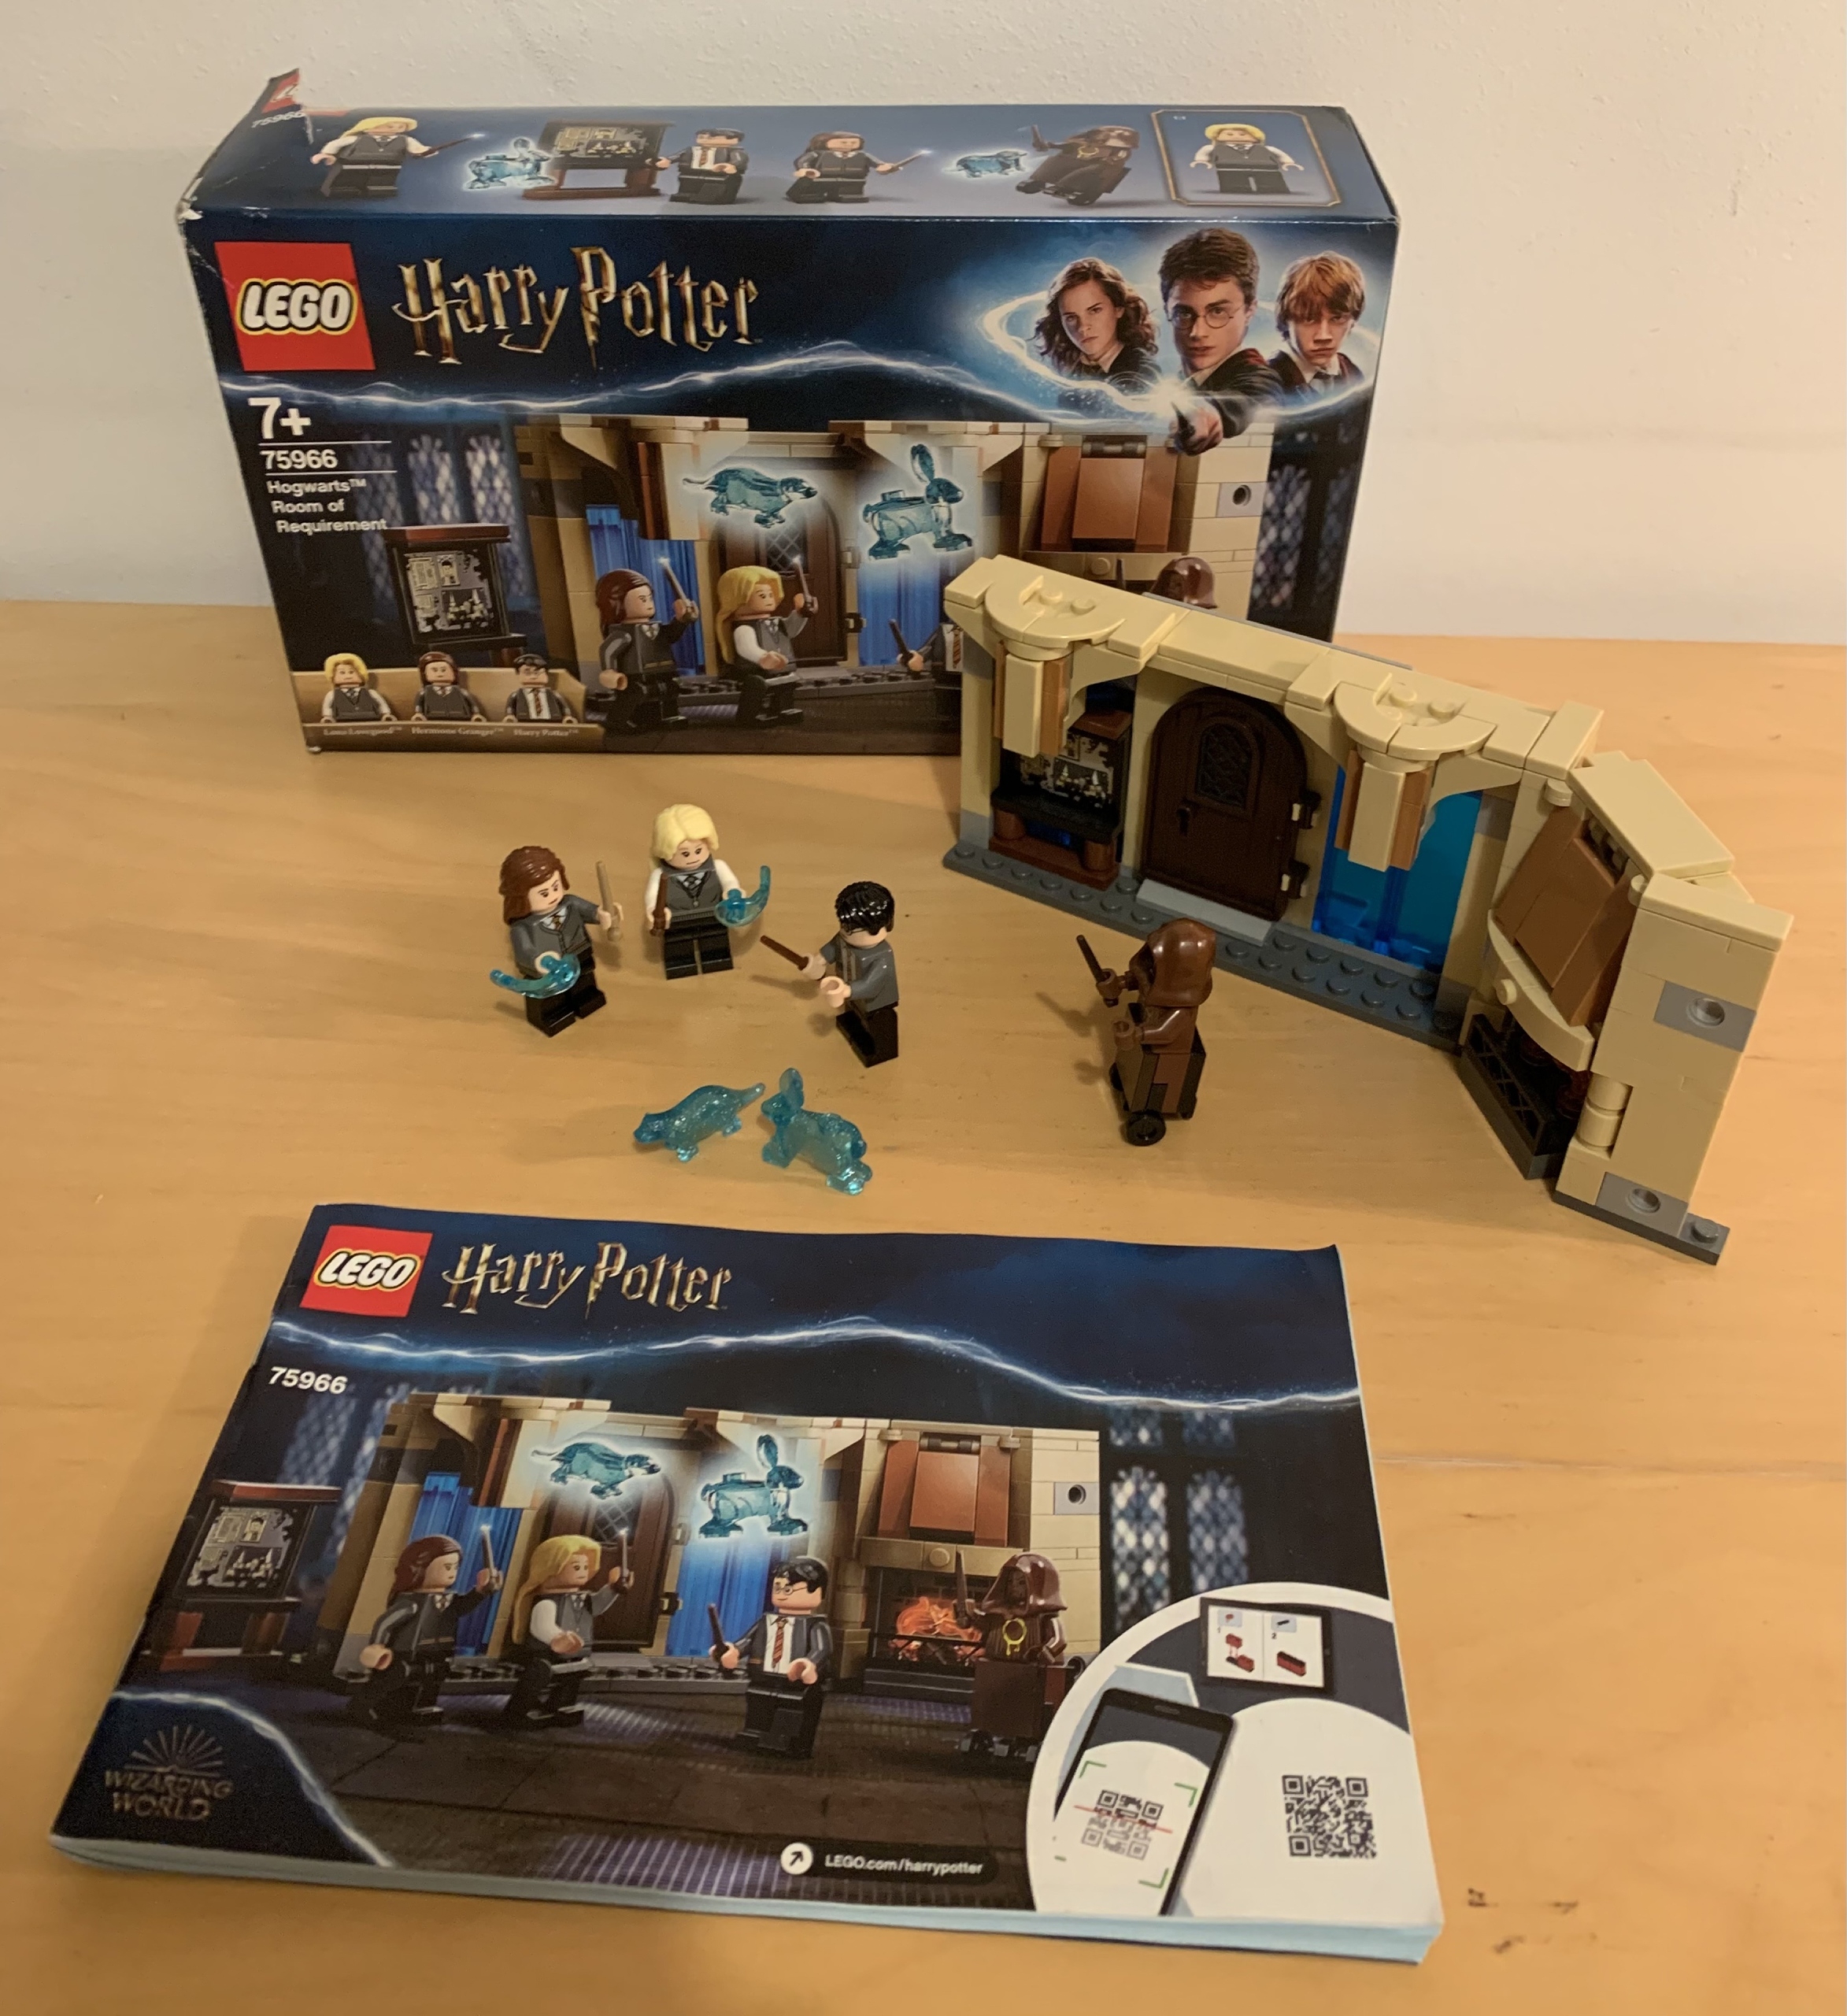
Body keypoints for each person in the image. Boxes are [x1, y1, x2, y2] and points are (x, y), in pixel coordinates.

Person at [351, 1535, 501, 1728]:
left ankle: (421, 1707)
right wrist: (378, 1645)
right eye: (447, 1567)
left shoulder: (450, 1601)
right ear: (419, 1569)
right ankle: (363, 1705)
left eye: (455, 1567)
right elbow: (386, 1622)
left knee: (433, 1676)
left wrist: (481, 1591)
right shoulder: (412, 1602)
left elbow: (464, 1606)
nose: (452, 1573)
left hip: (437, 1650)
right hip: (407, 1652)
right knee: (397, 1676)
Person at [1158, 228, 1283, 454]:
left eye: (1217, 312)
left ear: (1249, 311)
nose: (1198, 332)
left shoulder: (1257, 377)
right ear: (1167, 310)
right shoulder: (1179, 382)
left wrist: (1213, 410)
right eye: (1184, 313)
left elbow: (1256, 394)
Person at [502, 1535, 630, 1730]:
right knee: (540, 1673)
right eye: (576, 1567)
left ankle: (562, 1706)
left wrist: (613, 1587)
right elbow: (541, 1625)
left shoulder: (583, 1598)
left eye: (586, 1567)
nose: (583, 1572)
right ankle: (519, 1711)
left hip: (575, 1654)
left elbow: (598, 1605)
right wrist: (557, 1638)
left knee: (573, 1677)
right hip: (546, 1655)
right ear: (550, 1568)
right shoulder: (547, 1602)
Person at [717, 1557, 833, 1760]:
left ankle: (789, 1740)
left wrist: (809, 1664)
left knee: (792, 1707)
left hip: (796, 1681)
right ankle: (755, 1734)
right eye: (777, 1588)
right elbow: (747, 1641)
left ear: (816, 1591)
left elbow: (822, 1649)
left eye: (788, 1589)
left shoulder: (815, 1625)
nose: (781, 1594)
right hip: (764, 1677)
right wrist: (733, 1651)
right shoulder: (766, 1621)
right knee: (759, 1702)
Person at [498, 844, 618, 1036]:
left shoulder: (571, 904)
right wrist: (539, 960)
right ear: (521, 897)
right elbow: (524, 951)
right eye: (544, 893)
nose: (553, 895)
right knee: (551, 996)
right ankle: (553, 1013)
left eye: (556, 886)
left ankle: (585, 998)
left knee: (584, 978)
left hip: (579, 952)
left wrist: (602, 914)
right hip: (549, 971)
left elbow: (590, 911)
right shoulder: (523, 927)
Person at [800, 880, 899, 1067]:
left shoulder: (881, 957)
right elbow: (832, 948)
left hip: (876, 1003)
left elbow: (872, 985)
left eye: (853, 929)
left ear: (883, 926)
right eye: (844, 925)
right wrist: (818, 961)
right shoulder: (843, 939)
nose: (846, 931)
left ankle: (879, 1050)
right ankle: (854, 1028)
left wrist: (846, 991)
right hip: (850, 990)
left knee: (878, 1024)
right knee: (853, 1013)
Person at [590, 569, 698, 738]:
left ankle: (667, 716)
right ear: (616, 604)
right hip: (634, 676)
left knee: (669, 688)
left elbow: (671, 635)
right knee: (637, 692)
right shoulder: (623, 633)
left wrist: (681, 620)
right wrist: (609, 671)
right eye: (642, 599)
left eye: (649, 598)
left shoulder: (656, 628)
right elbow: (608, 650)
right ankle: (618, 720)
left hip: (662, 670)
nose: (649, 603)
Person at [645, 803, 743, 980]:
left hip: (713, 915)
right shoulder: (660, 875)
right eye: (684, 854)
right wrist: (653, 909)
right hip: (677, 920)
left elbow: (730, 882)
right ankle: (680, 964)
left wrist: (732, 891)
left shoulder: (718, 866)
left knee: (715, 943)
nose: (693, 858)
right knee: (678, 947)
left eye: (698, 850)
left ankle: (716, 959)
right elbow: (653, 895)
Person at [1033, 257, 1159, 395]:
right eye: (1071, 318)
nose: (1083, 327)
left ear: (1118, 308)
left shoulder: (1141, 374)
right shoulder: (1073, 373)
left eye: (1094, 310)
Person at [714, 565, 808, 726]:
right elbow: (746, 647)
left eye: (771, 594)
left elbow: (791, 630)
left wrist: (800, 614)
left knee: (786, 685)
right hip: (755, 670)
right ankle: (752, 713)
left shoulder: (775, 622)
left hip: (781, 668)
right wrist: (762, 657)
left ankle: (784, 709)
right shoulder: (744, 628)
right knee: (757, 685)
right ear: (738, 599)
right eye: (762, 595)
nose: (769, 599)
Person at [1268, 252, 1368, 401]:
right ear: (1286, 320)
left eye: (1337, 318)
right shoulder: (1267, 381)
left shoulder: (1352, 373)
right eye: (1309, 319)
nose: (1323, 336)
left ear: (1353, 321)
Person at [310, 115, 436, 199]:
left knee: (383, 179)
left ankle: (380, 189)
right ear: (368, 128)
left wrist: (425, 151)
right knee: (348, 178)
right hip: (353, 163)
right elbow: (335, 144)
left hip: (389, 163)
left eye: (400, 126)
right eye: (390, 126)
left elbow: (417, 149)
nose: (395, 129)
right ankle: (343, 189)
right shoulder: (357, 139)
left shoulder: (405, 140)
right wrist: (327, 154)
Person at [1016, 125, 1138, 206]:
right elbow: (1064, 146)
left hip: (1100, 167)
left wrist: (1109, 159)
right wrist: (1048, 145)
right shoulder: (1083, 144)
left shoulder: (1117, 150)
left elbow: (1119, 158)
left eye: (1101, 138)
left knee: (1089, 171)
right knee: (1055, 162)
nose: (1096, 139)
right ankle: (1039, 180)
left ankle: (1067, 187)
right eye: (1095, 136)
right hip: (1077, 162)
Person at [786, 132, 902, 204]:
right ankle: (810, 195)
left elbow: (878, 164)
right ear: (825, 142)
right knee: (812, 192)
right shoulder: (817, 154)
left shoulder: (863, 155)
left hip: (853, 179)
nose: (849, 145)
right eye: (844, 142)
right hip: (820, 178)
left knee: (851, 193)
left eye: (853, 143)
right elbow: (802, 161)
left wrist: (885, 167)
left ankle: (848, 195)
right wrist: (805, 169)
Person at [1191, 122, 1303, 196]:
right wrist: (1201, 161)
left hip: (1266, 168)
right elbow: (1203, 153)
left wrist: (1288, 163)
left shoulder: (1267, 148)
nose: (1236, 136)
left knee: (1271, 184)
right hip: (1229, 168)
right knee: (1234, 185)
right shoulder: (1213, 148)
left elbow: (1281, 155)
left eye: (1243, 134)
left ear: (1255, 137)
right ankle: (1236, 189)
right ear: (1218, 137)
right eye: (1229, 134)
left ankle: (1273, 189)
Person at [661, 127, 748, 204]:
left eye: (711, 138)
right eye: (701, 137)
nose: (705, 140)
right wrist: (668, 160)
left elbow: (739, 160)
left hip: (718, 174)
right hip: (692, 172)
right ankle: (687, 194)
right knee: (688, 182)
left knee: (716, 185)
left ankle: (716, 196)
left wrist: (731, 166)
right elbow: (678, 156)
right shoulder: (691, 150)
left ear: (734, 140)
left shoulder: (734, 151)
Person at [319, 651, 394, 723]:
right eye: (342, 673)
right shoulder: (332, 695)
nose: (348, 676)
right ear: (333, 676)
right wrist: (328, 717)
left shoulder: (371, 693)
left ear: (361, 674)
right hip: (342, 722)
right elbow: (327, 707)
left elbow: (381, 704)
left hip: (371, 720)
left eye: (351, 672)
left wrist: (386, 714)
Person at [412, 650, 486, 722]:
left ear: (454, 672)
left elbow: (472, 704)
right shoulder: (425, 692)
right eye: (434, 670)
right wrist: (418, 714)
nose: (440, 674)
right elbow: (419, 704)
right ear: (425, 674)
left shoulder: (461, 692)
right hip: (433, 721)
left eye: (444, 670)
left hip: (460, 719)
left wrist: (476, 714)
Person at [503, 653, 576, 723]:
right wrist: (510, 716)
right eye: (527, 673)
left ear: (546, 674)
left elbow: (564, 707)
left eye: (537, 673)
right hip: (525, 723)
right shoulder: (517, 695)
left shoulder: (554, 694)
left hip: (552, 723)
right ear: (518, 675)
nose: (533, 677)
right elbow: (510, 707)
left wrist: (567, 716)